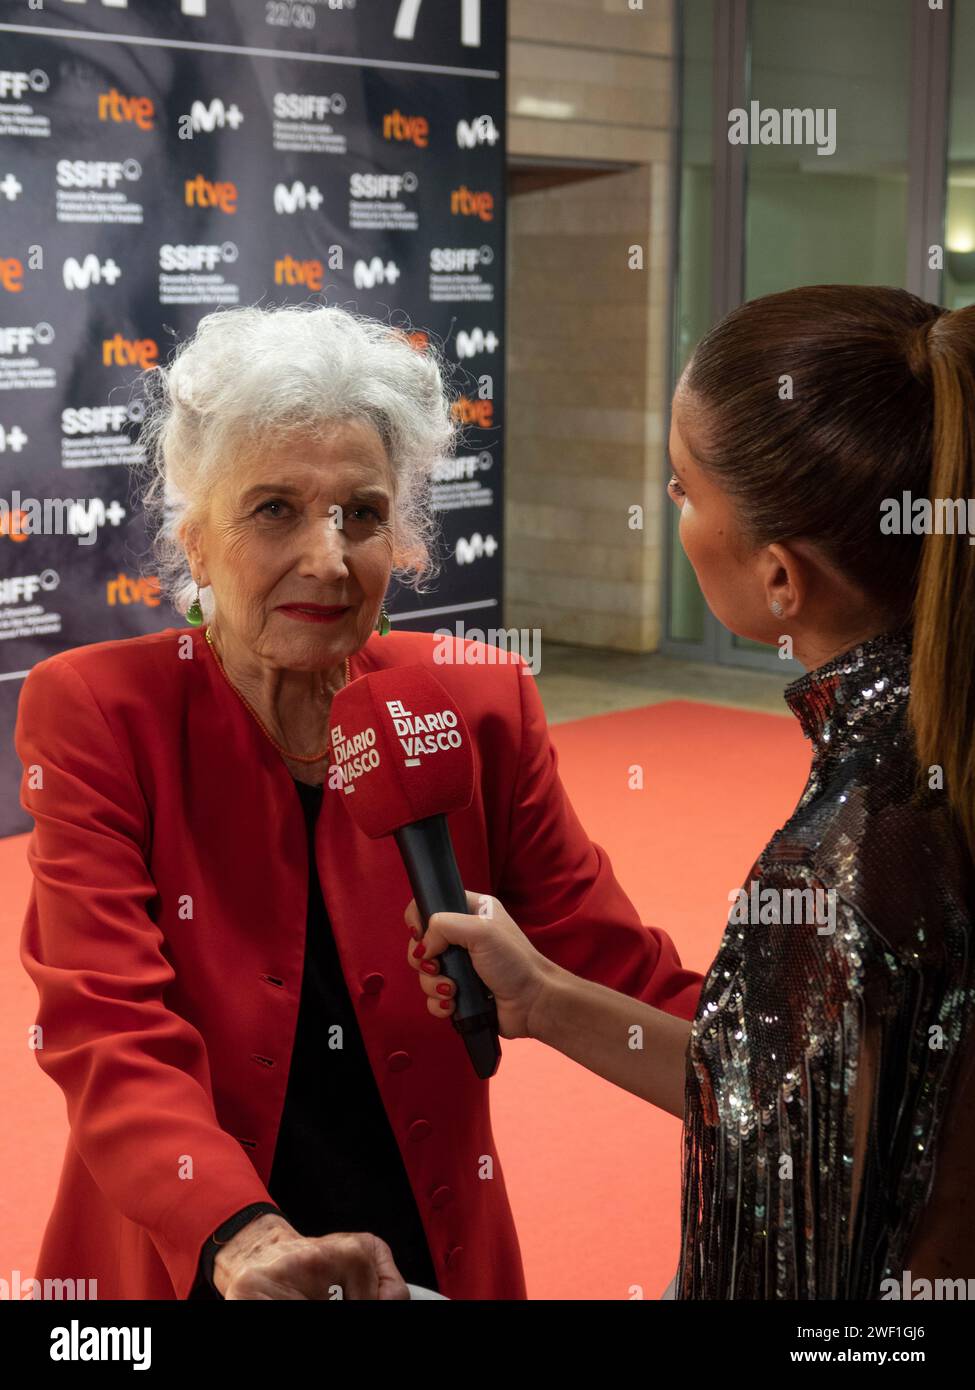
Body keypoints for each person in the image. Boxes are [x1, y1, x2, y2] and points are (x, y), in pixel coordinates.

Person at [15, 301, 702, 1302]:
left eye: (364, 514)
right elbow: (107, 1024)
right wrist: (240, 1234)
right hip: (194, 1256)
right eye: (275, 510)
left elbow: (617, 971)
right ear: (195, 542)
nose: (330, 559)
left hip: (429, 1251)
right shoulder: (100, 712)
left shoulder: (477, 698)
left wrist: (800, 1068)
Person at [406, 285, 975, 1299]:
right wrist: (543, 998)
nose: (671, 512)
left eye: (681, 490)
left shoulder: (842, 859)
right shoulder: (929, 754)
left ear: (781, 579)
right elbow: (773, 1096)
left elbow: (783, 1261)